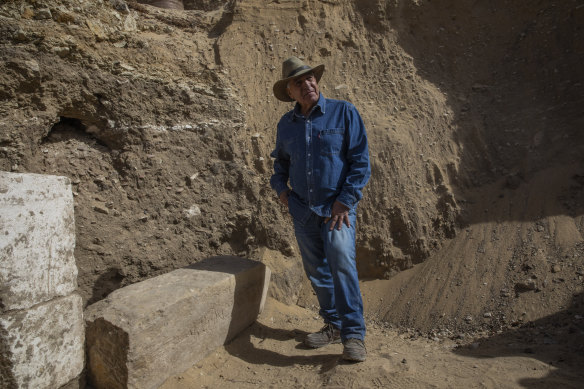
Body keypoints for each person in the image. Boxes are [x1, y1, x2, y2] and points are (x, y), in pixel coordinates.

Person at [270, 56, 371, 362]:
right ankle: (333, 324)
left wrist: (345, 201)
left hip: (337, 209)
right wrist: (283, 195)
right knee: (317, 272)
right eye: (298, 82)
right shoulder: (286, 125)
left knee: (341, 262)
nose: (307, 84)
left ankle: (353, 334)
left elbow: (361, 161)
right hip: (303, 212)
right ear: (290, 92)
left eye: (310, 78)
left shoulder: (343, 112)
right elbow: (279, 167)